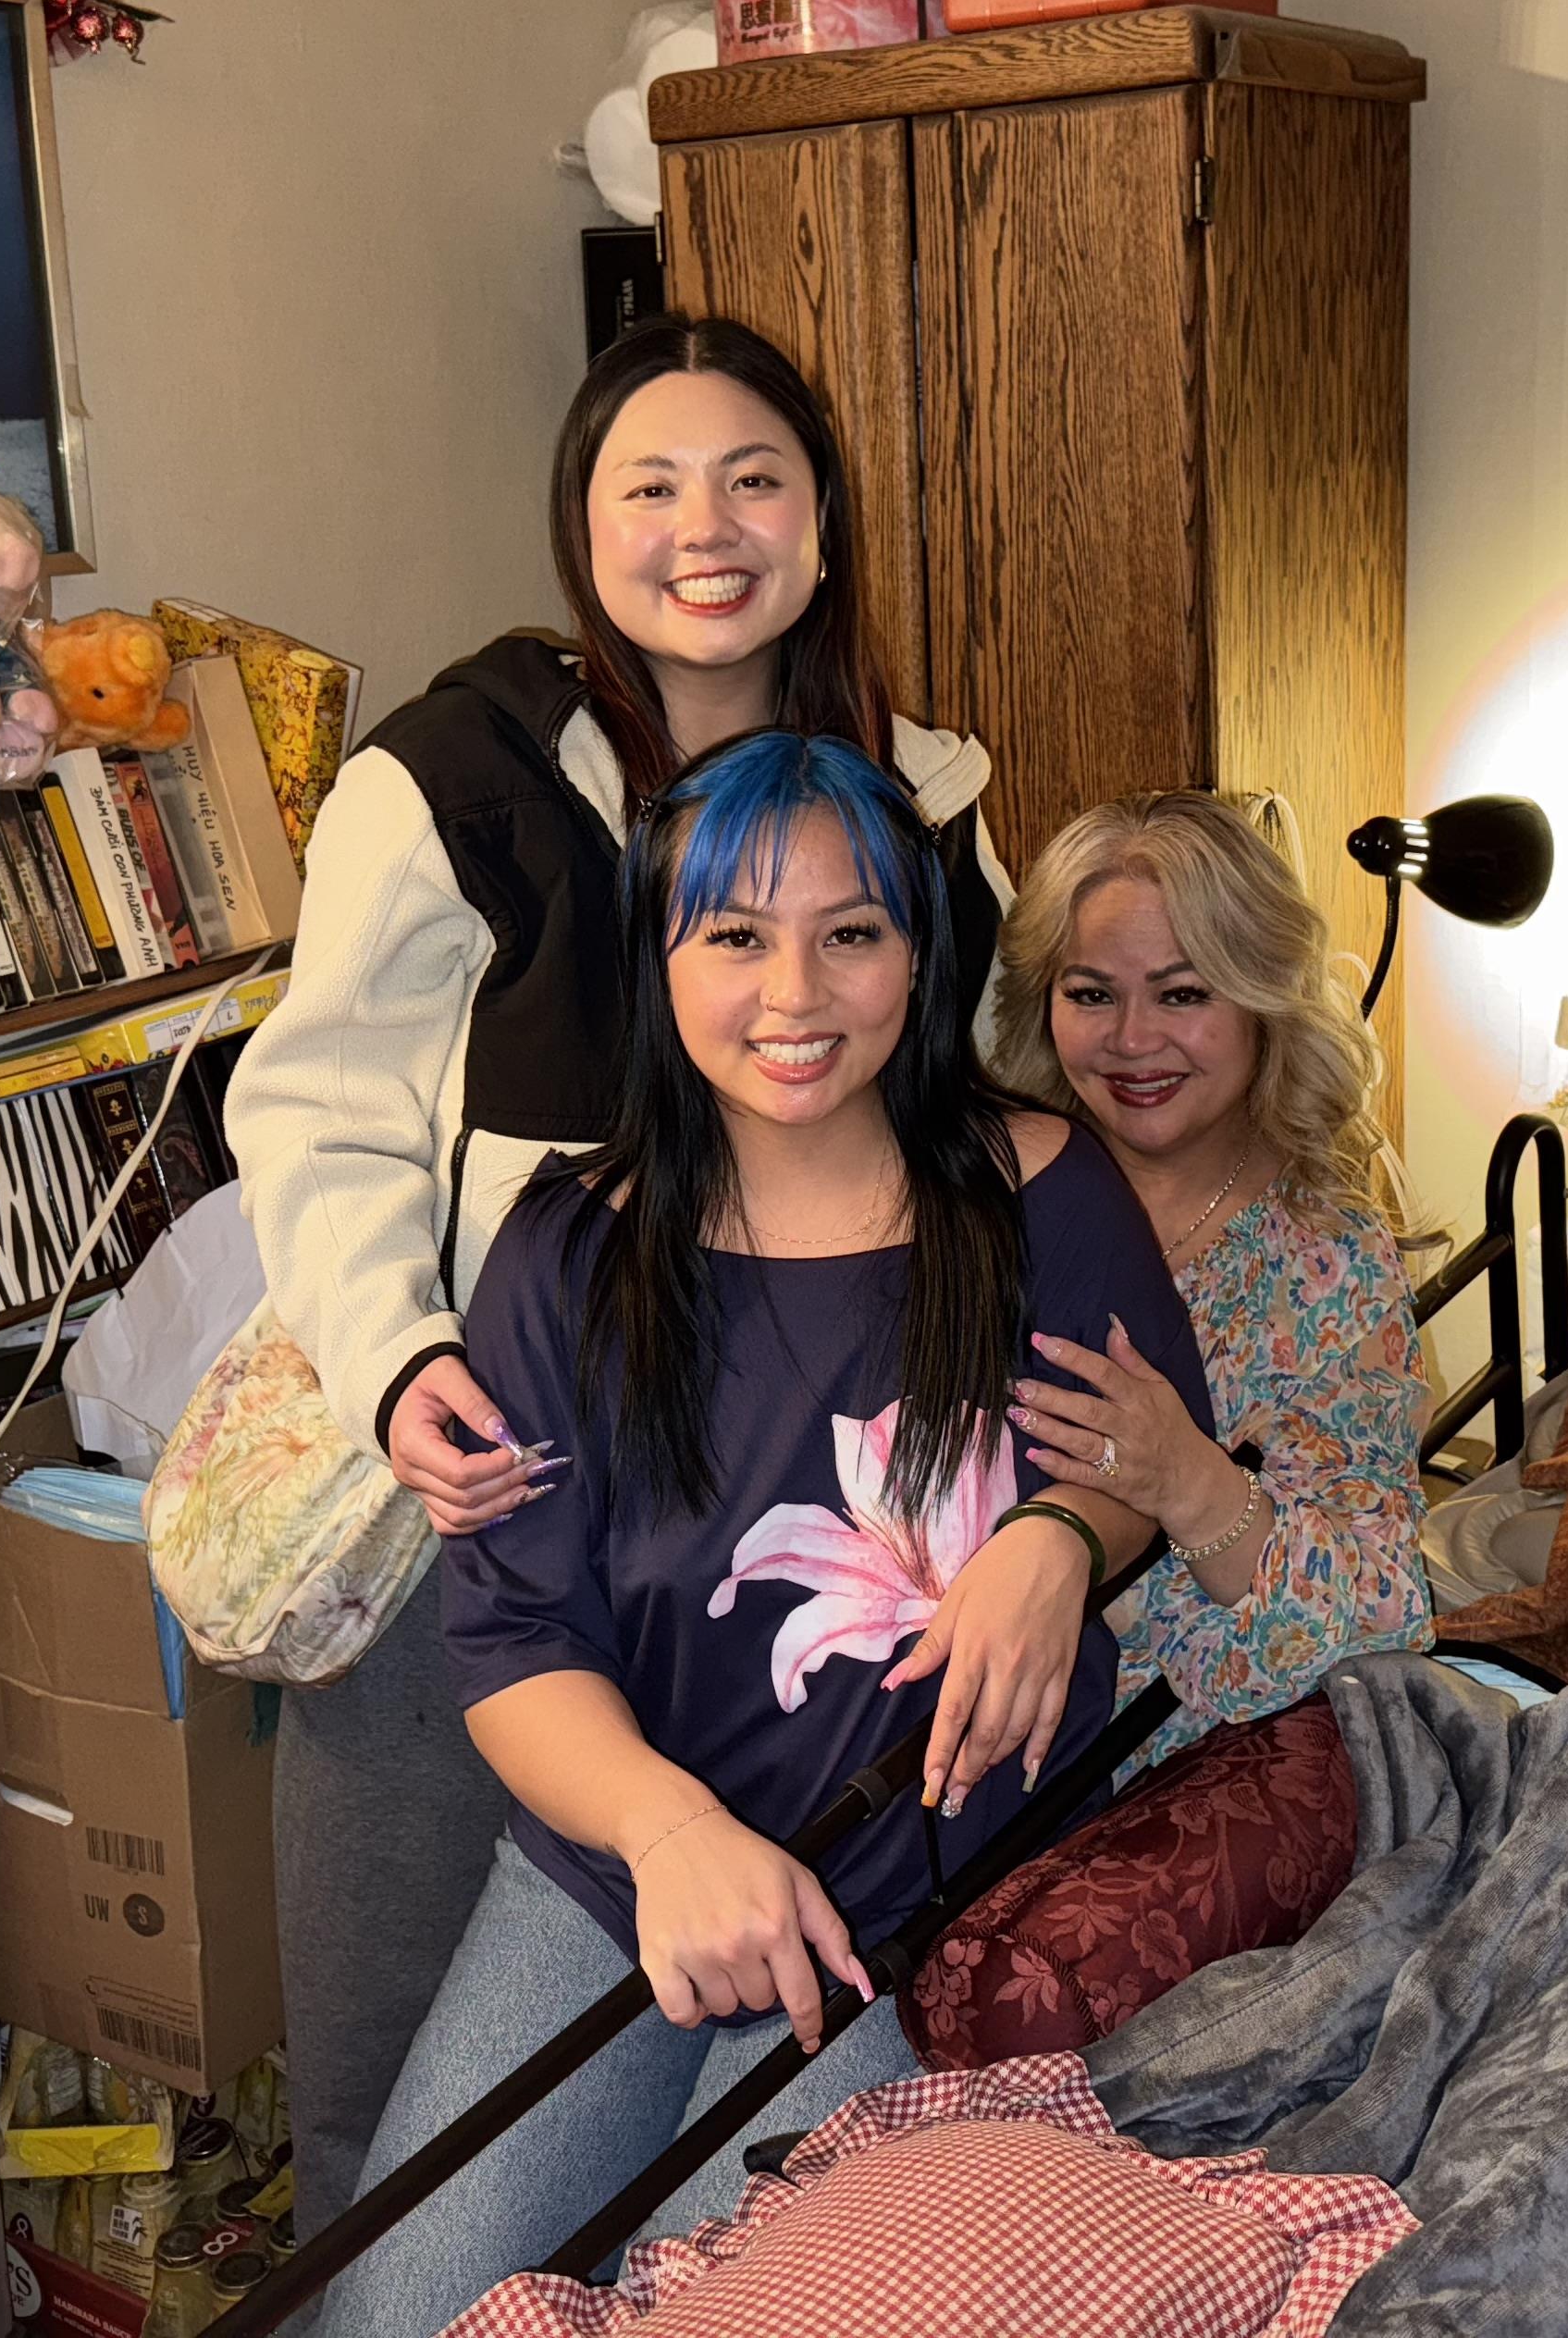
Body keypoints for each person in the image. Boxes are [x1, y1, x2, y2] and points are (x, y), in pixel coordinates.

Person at [221, 315, 1010, 2229]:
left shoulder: (920, 792)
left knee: (713, 2078)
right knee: (394, 2094)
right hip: (492, 1497)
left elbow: (980, 1111)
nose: (704, 527)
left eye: (754, 477)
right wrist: (407, 1361)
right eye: (645, 485)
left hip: (781, 1517)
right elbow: (316, 1108)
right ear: (583, 533)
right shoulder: (458, 777)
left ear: (824, 525)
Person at [310, 732, 1209, 2334]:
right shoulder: (565, 1250)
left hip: (929, 1885)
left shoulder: (1045, 1195)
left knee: (729, 2303)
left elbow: (1145, 1463)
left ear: (918, 953)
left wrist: (1058, 1538)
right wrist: (667, 1837)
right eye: (734, 933)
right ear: (661, 960)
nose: (795, 989)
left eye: (850, 930)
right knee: (401, 2311)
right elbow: (516, 1642)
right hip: (617, 1860)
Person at [981, 792, 1435, 1773]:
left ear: (1261, 998)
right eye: (1091, 993)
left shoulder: (1327, 1266)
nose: (1134, 1040)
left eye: (1184, 994)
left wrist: (1187, 1482)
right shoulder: (980, 1200)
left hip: (1154, 1781)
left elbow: (1373, 1625)